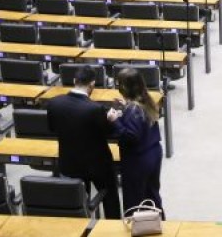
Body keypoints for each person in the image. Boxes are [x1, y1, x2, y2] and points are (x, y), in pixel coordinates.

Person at [46, 65, 121, 219]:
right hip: (98, 165)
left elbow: (52, 128)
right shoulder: (96, 109)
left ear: (74, 81)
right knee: (110, 199)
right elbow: (110, 133)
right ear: (92, 84)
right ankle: (113, 225)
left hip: (69, 163)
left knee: (77, 202)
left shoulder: (53, 103)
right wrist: (112, 119)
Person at [109, 68, 164, 218]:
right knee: (152, 195)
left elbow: (131, 136)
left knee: (134, 200)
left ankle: (138, 227)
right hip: (153, 152)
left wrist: (115, 121)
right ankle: (158, 222)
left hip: (138, 160)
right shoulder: (145, 100)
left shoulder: (133, 110)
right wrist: (125, 108)